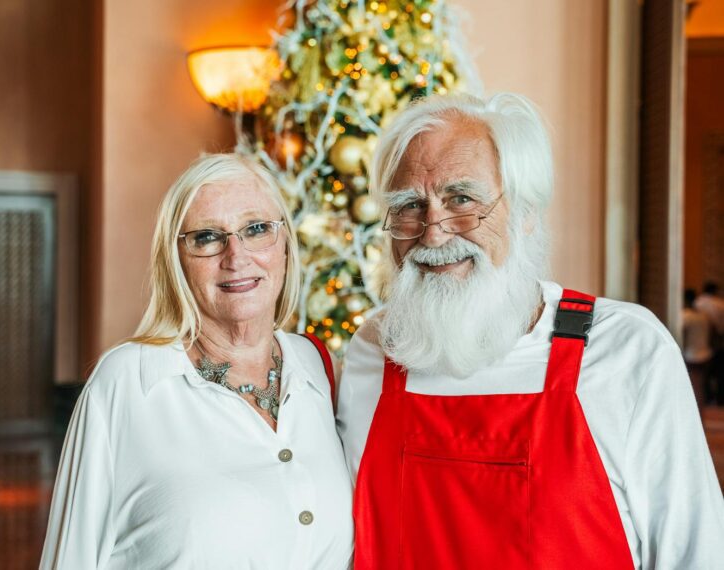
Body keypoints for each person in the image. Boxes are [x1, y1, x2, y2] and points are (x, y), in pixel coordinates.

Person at [338, 93, 724, 569]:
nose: (433, 232)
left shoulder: (626, 350)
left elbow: (696, 555)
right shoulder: (372, 353)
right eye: (410, 206)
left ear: (526, 214)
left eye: (462, 199)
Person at [41, 153, 353, 569]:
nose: (236, 256)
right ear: (177, 262)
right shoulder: (128, 382)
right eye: (207, 237)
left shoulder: (318, 368)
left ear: (285, 246)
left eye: (257, 229)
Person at [682, 288, 713, 406]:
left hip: (690, 354)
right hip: (704, 353)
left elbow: (683, 334)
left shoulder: (686, 315)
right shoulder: (704, 316)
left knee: (690, 386)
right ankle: (700, 411)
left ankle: (693, 410)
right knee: (700, 385)